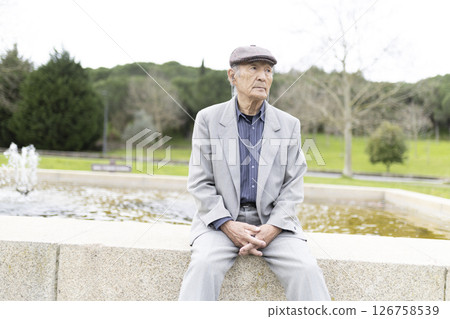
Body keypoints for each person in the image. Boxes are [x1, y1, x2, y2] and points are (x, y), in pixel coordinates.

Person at [178, 45, 330, 301]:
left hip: (274, 225)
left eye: (268, 70)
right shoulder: (208, 119)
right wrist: (227, 225)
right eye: (254, 68)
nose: (263, 76)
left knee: (306, 269)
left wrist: (272, 228)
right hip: (220, 225)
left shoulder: (289, 124)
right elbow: (200, 182)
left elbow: (293, 186)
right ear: (232, 76)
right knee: (204, 265)